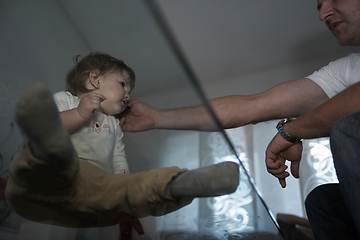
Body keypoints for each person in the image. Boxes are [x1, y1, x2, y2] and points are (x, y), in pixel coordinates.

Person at [119, 0, 360, 239]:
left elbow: (354, 101)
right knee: (323, 201)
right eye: (319, 6)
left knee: (347, 128)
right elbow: (252, 106)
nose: (323, 14)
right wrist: (157, 117)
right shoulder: (346, 70)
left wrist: (291, 130)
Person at [5, 52, 240, 234]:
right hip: (44, 176)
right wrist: (79, 113)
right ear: (94, 79)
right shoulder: (67, 100)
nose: (127, 94)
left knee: (116, 191)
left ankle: (177, 185)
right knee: (41, 143)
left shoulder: (113, 125)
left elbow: (118, 157)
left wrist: (122, 181)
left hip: (81, 191)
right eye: (123, 84)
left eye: (129, 90)